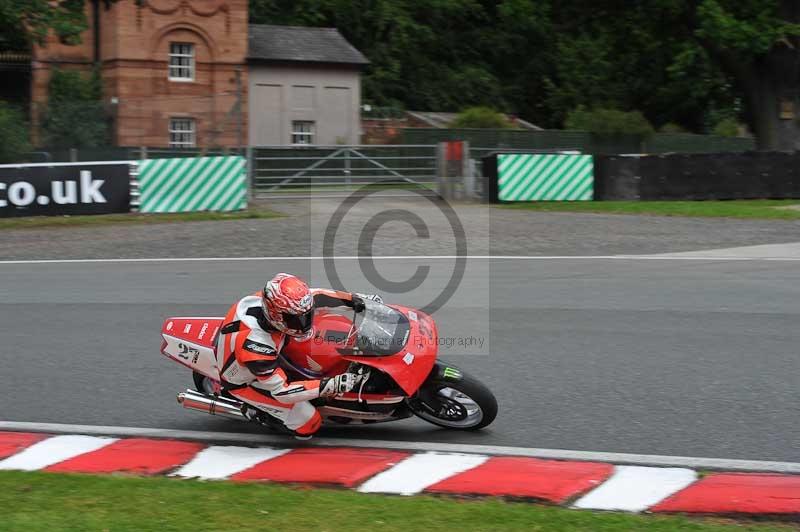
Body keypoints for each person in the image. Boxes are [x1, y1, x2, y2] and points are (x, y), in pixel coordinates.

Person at [216, 273, 379, 439]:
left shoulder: (280, 304)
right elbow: (283, 392)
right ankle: (258, 413)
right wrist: (331, 385)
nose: (305, 323)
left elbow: (318, 296)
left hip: (263, 349)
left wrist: (357, 300)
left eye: (307, 316)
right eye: (297, 320)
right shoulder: (257, 346)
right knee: (309, 423)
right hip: (246, 380)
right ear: (276, 317)